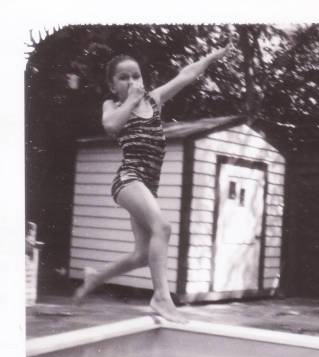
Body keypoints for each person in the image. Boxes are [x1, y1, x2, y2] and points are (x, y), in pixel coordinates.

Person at [73, 44, 232, 323]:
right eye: (124, 77)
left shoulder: (155, 100)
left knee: (143, 255)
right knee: (164, 227)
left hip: (147, 185)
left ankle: (96, 276)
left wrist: (210, 57)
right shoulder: (113, 106)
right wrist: (132, 101)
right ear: (113, 85)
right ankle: (161, 297)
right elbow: (111, 126)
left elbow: (185, 75)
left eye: (136, 76)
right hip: (128, 179)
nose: (132, 81)